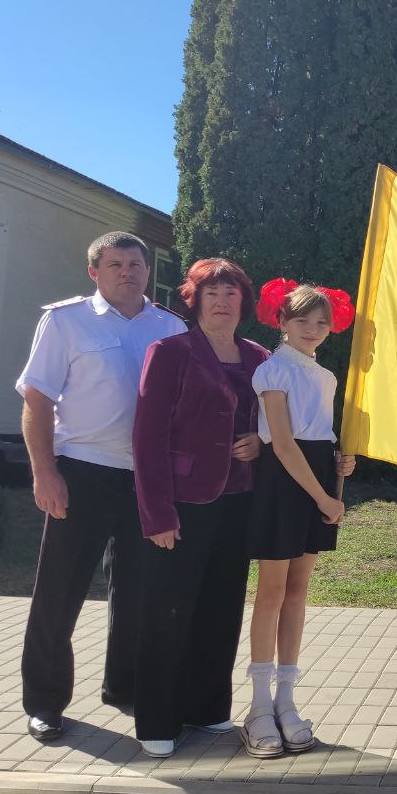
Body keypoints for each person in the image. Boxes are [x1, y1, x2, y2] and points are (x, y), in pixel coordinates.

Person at [15, 232, 186, 742]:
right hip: (82, 473)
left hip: (148, 480)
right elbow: (38, 401)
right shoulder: (65, 321)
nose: (127, 272)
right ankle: (45, 702)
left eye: (136, 264)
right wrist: (45, 472)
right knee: (59, 593)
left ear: (148, 271)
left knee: (137, 592)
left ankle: (124, 688)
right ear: (94, 271)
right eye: (115, 264)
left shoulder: (172, 327)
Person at [130, 258, 270, 757]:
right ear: (195, 300)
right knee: (168, 612)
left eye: (231, 292)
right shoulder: (170, 352)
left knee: (221, 608)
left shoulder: (259, 357)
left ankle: (208, 708)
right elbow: (147, 438)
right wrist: (157, 514)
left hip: (239, 501)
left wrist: (260, 441)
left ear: (243, 302)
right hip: (183, 504)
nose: (222, 301)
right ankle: (157, 722)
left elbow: (275, 422)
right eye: (212, 292)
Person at [241, 279, 357, 757]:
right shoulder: (272, 371)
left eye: (321, 322)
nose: (312, 329)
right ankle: (258, 707)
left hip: (317, 476)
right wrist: (323, 499)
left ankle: (287, 701)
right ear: (282, 321)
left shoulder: (326, 375)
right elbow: (284, 444)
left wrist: (341, 462)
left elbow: (319, 434)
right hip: (284, 482)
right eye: (302, 320)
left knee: (297, 590)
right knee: (270, 592)